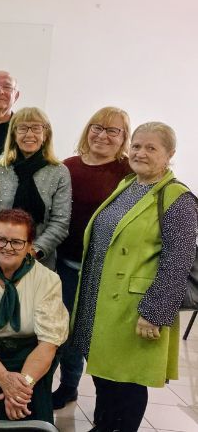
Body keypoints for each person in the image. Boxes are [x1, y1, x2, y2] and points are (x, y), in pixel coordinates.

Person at [71, 122, 197, 432]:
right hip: (100, 298)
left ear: (169, 154)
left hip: (136, 308)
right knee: (104, 371)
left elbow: (178, 261)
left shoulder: (177, 198)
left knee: (127, 381)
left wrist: (154, 313)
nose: (140, 153)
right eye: (137, 146)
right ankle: (102, 426)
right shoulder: (129, 184)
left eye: (151, 148)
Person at [0, 209, 69, 423]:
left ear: (29, 245)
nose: (7, 247)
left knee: (31, 416)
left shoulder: (48, 280)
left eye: (16, 242)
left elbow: (48, 344)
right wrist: (4, 379)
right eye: (1, 240)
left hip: (31, 352)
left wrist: (20, 389)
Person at [52, 107, 132, 409]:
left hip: (104, 271)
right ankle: (67, 385)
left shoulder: (129, 174)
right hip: (64, 264)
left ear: (124, 137)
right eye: (97, 127)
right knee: (63, 328)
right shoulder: (67, 167)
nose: (103, 135)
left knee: (91, 335)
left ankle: (96, 397)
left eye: (114, 131)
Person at [0, 107, 71, 270]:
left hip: (37, 261)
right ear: (13, 133)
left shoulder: (59, 172)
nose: (29, 134)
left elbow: (60, 222)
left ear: (46, 134)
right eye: (22, 128)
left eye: (36, 128)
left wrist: (32, 252)